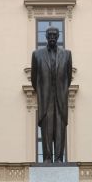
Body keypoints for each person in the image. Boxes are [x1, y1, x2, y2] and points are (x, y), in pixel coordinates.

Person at [30, 26, 73, 162]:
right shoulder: (37, 54)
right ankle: (47, 158)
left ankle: (59, 158)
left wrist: (61, 90)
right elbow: (34, 78)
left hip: (60, 96)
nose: (52, 37)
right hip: (46, 98)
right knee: (47, 129)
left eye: (55, 35)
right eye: (50, 35)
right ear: (46, 37)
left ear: (58, 37)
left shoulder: (67, 54)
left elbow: (68, 76)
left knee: (60, 128)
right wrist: (42, 92)